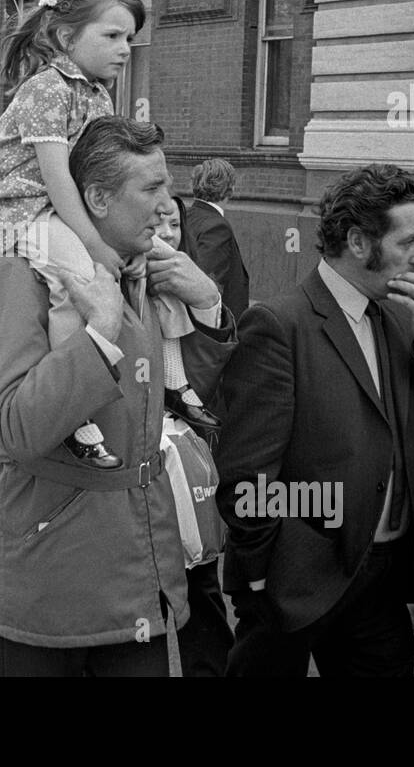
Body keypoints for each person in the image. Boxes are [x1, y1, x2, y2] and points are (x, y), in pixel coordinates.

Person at [0, 115, 232, 676]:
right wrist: (96, 335)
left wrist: (206, 303)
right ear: (97, 198)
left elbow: (182, 404)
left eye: (169, 186)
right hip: (53, 579)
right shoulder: (18, 277)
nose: (169, 206)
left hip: (141, 568)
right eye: (152, 188)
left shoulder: (143, 273)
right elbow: (19, 426)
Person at [215, 164, 414, 677]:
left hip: (382, 583)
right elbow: (245, 472)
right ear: (359, 242)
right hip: (295, 580)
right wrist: (260, 576)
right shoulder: (280, 325)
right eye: (409, 241)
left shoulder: (399, 315)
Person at [0, 0, 206, 468]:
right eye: (113, 36)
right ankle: (76, 417)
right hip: (19, 210)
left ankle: (174, 378)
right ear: (65, 36)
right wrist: (97, 245)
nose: (126, 48)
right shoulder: (46, 90)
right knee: (76, 274)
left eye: (130, 38)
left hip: (57, 208)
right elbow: (58, 178)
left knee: (162, 257)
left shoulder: (97, 94)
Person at [156, 197, 234, 677]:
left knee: (199, 589)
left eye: (175, 222)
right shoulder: (106, 277)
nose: (167, 230)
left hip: (179, 466)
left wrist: (207, 302)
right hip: (128, 472)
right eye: (156, 218)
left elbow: (201, 384)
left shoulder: (188, 284)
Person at [184, 157, 250, 320]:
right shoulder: (217, 227)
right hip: (214, 325)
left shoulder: (185, 216)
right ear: (230, 189)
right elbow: (205, 281)